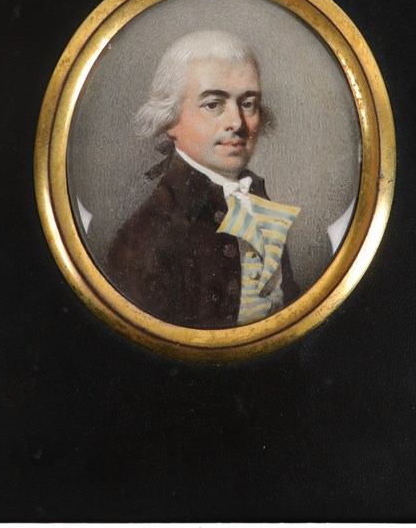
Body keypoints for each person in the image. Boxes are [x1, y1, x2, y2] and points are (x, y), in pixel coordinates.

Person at [105, 30, 301, 329]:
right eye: (213, 104)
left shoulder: (257, 200)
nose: (236, 122)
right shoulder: (144, 237)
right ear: (170, 119)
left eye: (248, 103)